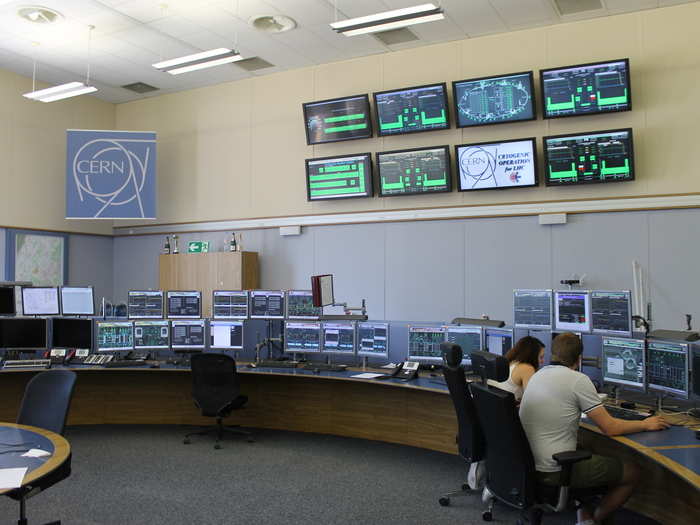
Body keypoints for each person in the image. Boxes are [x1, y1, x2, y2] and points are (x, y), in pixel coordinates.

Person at [519, 333, 669, 525]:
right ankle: (592, 521)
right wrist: (646, 423)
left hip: (531, 465)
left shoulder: (538, 375)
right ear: (579, 358)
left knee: (589, 448)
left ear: (552, 353)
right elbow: (610, 427)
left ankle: (584, 515)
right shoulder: (577, 380)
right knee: (633, 472)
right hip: (554, 470)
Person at [487, 335, 544, 401]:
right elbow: (532, 400)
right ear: (532, 356)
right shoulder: (527, 368)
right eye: (541, 357)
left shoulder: (510, 362)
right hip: (511, 409)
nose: (543, 361)